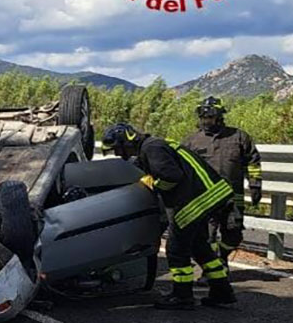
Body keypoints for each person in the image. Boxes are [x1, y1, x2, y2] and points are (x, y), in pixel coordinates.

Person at [101, 123, 236, 309]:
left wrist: (153, 186)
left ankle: (182, 296)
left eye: (117, 149)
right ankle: (222, 291)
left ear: (127, 142)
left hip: (195, 199)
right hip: (209, 195)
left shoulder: (152, 148)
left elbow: (171, 177)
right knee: (200, 246)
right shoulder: (154, 145)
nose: (118, 154)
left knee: (176, 248)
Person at [182, 96, 262, 265]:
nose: (206, 121)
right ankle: (212, 270)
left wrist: (255, 185)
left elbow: (253, 162)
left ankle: (222, 255)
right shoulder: (192, 141)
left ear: (219, 117)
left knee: (234, 233)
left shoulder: (239, 137)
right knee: (206, 236)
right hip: (205, 199)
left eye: (209, 117)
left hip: (233, 197)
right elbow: (182, 168)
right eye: (203, 117)